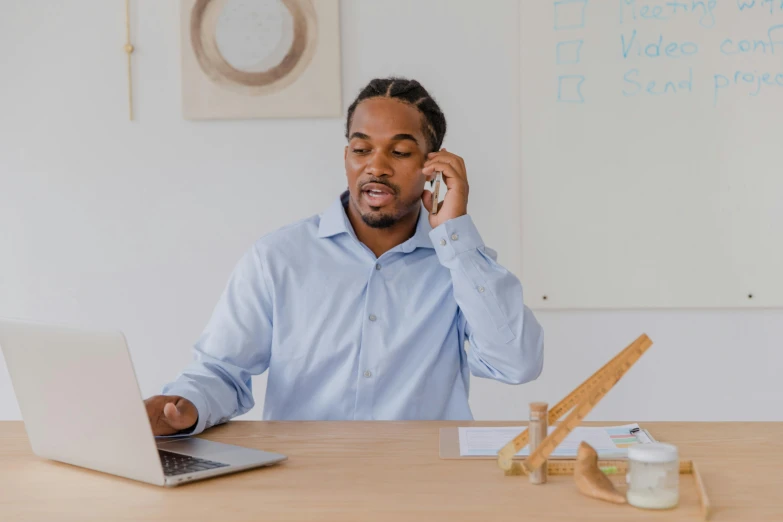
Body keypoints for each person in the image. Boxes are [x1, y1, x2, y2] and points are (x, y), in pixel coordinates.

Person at [145, 78, 544, 436]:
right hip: (307, 482)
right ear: (346, 156)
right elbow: (221, 370)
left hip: (426, 483)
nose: (376, 166)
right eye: (361, 148)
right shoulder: (279, 257)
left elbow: (517, 363)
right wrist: (184, 408)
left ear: (432, 165)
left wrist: (456, 237)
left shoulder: (459, 264)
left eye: (400, 151)